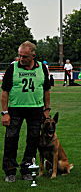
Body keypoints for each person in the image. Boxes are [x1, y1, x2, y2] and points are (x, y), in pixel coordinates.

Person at [1, 41, 51, 182]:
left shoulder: (42, 68)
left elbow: (46, 90)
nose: (21, 59)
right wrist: (5, 113)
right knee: (11, 140)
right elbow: (5, 91)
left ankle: (27, 169)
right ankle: (10, 171)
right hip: (15, 109)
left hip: (36, 110)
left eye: (25, 56)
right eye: (20, 56)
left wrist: (47, 109)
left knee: (33, 141)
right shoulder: (13, 68)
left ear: (33, 55)